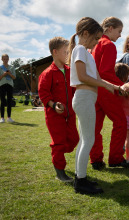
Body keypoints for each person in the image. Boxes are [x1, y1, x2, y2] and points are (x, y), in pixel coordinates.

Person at [68, 17, 122, 194]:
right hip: (84, 97)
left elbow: (98, 79)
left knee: (86, 139)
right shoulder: (80, 50)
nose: (97, 42)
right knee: (88, 139)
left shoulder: (86, 52)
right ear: (85, 34)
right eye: (95, 38)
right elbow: (83, 77)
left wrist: (119, 87)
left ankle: (80, 176)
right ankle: (80, 181)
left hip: (87, 98)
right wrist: (106, 85)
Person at [91, 16, 129, 170]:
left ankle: (96, 160)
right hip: (105, 90)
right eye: (119, 31)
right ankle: (115, 158)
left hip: (93, 90)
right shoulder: (108, 45)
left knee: (95, 127)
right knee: (121, 122)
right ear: (109, 28)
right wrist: (123, 86)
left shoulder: (94, 45)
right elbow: (105, 72)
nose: (120, 35)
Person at [38, 37, 79, 183]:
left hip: (71, 114)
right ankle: (60, 172)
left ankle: (59, 154)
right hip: (54, 115)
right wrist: (53, 105)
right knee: (58, 143)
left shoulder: (70, 71)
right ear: (55, 52)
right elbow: (43, 93)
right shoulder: (47, 73)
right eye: (65, 52)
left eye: (69, 51)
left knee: (75, 139)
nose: (68, 54)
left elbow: (75, 90)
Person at [0, 54, 16, 123]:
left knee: (9, 101)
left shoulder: (12, 67)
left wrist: (9, 74)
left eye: (6, 59)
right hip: (2, 85)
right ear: (2, 59)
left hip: (10, 85)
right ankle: (2, 118)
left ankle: (9, 117)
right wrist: (3, 74)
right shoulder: (0, 67)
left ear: (8, 59)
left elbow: (14, 77)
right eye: (4, 59)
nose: (5, 60)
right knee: (2, 101)